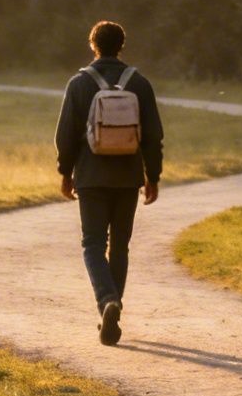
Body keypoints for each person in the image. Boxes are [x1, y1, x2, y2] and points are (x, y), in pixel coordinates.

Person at [54, 20, 163, 346]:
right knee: (119, 245)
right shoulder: (139, 83)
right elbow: (153, 135)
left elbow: (66, 135)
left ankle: (106, 302)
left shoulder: (79, 83)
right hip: (128, 177)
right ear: (122, 45)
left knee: (92, 244)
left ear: (93, 45)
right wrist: (152, 176)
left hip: (90, 177)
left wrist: (65, 172)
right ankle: (114, 306)